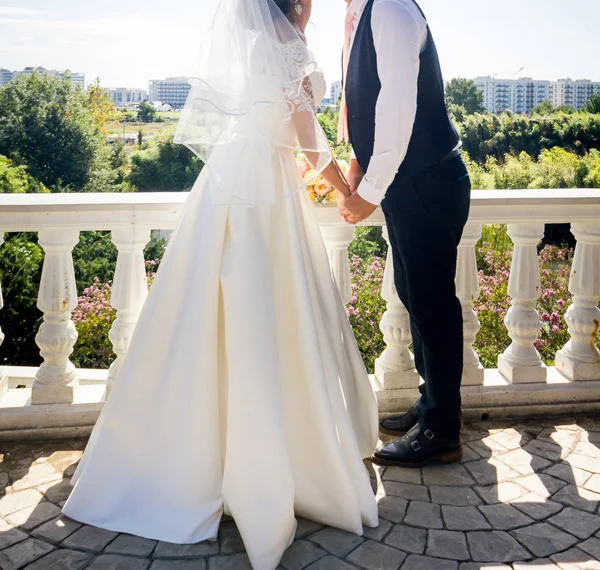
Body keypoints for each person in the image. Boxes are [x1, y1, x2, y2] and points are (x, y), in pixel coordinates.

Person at [62, 1, 379, 568]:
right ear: (296, 3)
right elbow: (308, 138)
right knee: (270, 312)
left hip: (232, 179)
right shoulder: (290, 47)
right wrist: (345, 191)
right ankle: (281, 461)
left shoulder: (255, 45)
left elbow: (275, 124)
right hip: (268, 192)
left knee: (208, 312)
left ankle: (189, 454)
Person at [338, 0, 471, 467]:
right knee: (412, 294)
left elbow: (397, 105)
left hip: (426, 180)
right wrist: (358, 163)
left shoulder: (391, 9)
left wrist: (368, 191)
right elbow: (366, 101)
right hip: (411, 181)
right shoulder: (368, 12)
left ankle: (441, 429)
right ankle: (433, 401)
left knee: (432, 302)